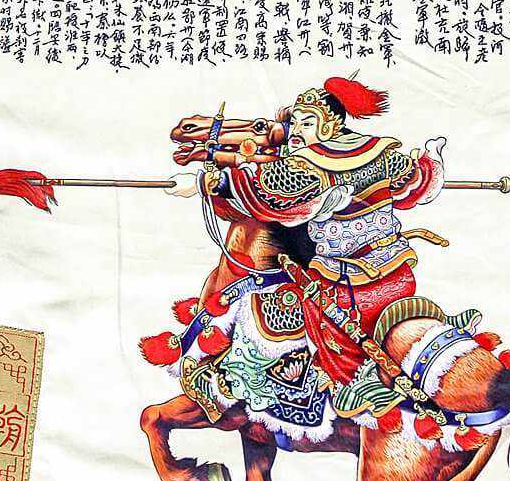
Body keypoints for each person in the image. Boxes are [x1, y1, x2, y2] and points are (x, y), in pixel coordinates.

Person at [166, 77, 446, 385]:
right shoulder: (381, 151)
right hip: (396, 265)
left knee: (304, 311)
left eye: (308, 123)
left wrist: (206, 183)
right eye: (296, 123)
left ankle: (342, 383)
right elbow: (415, 182)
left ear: (330, 126)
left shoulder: (312, 163)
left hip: (344, 278)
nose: (297, 131)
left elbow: (267, 191)